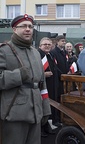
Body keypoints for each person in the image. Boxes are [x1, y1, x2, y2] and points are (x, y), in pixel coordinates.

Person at [0, 14, 51, 144]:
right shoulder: (4, 51)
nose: (28, 29)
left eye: (30, 26)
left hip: (36, 112)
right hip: (14, 113)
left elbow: (42, 84)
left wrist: (45, 109)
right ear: (14, 29)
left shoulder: (35, 53)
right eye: (23, 26)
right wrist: (19, 75)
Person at [38, 37, 58, 136]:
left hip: (51, 85)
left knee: (48, 107)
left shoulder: (50, 55)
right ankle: (40, 129)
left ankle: (47, 127)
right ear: (40, 46)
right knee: (42, 107)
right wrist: (43, 75)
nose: (47, 46)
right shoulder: (38, 55)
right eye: (45, 44)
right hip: (41, 86)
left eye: (49, 44)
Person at [51, 35, 70, 126]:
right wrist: (62, 75)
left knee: (63, 97)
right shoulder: (53, 52)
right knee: (57, 98)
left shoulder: (65, 52)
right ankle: (56, 119)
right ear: (57, 41)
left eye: (64, 41)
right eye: (62, 41)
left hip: (65, 77)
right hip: (58, 79)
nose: (64, 43)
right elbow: (55, 66)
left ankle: (63, 117)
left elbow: (66, 63)